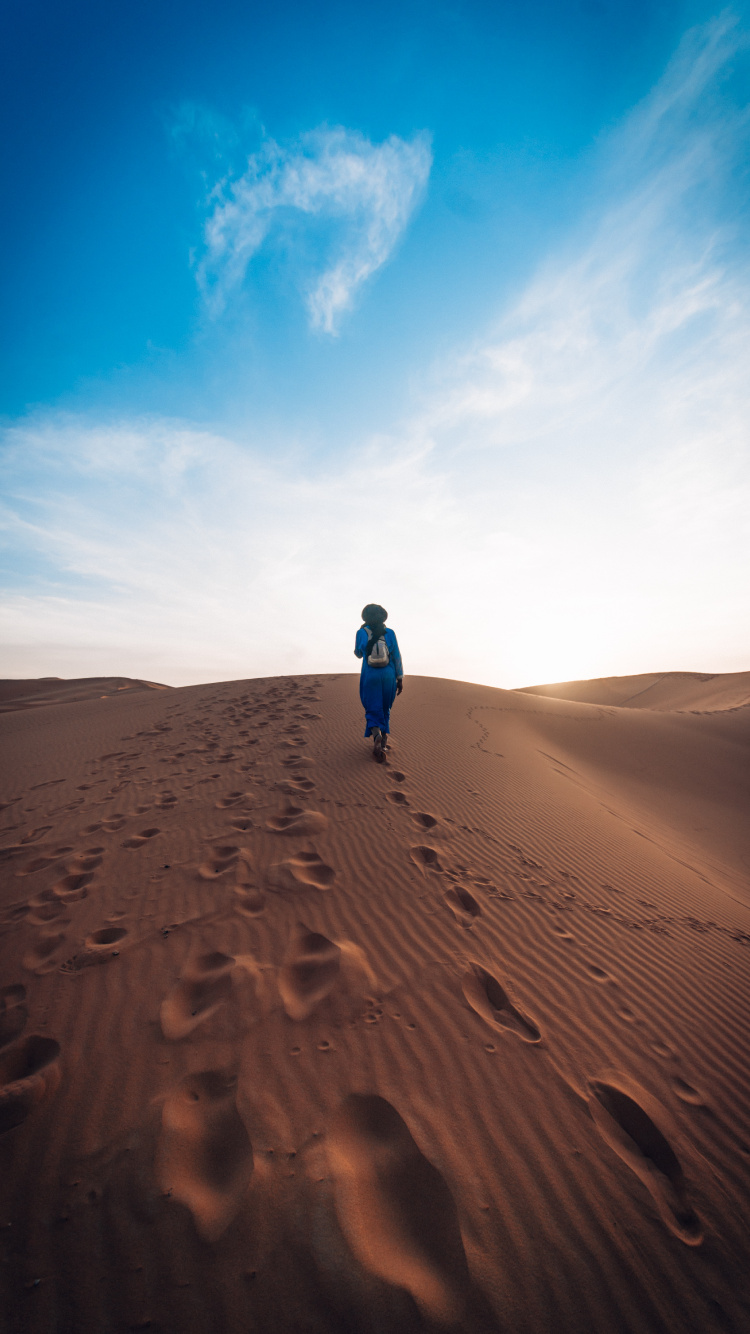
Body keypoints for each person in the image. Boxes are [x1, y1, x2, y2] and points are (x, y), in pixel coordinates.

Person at [354, 603, 403, 761]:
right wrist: (399, 678)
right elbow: (396, 656)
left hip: (370, 675)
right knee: (385, 707)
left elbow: (359, 654)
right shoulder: (390, 633)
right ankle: (384, 740)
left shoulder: (361, 632)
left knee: (372, 706)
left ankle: (376, 736)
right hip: (389, 675)